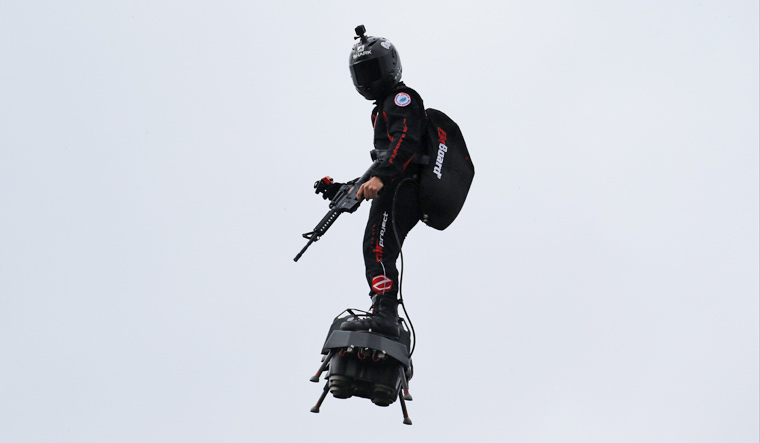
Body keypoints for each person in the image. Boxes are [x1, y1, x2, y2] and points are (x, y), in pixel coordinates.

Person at [338, 25, 426, 339]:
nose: (367, 80)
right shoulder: (383, 108)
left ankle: (385, 315)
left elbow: (406, 142)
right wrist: (347, 188)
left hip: (403, 186)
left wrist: (380, 177)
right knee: (376, 247)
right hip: (398, 182)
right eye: (360, 73)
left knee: (378, 247)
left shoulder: (400, 98)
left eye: (372, 70)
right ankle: (382, 310)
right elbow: (387, 156)